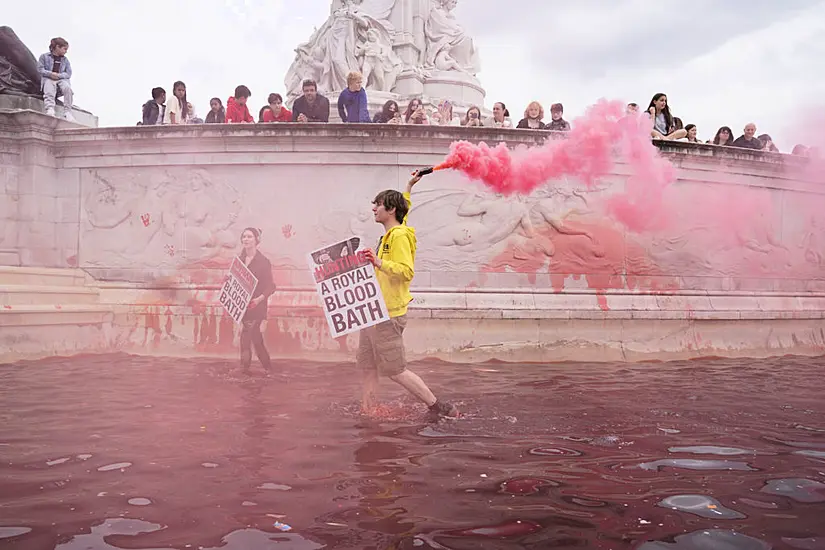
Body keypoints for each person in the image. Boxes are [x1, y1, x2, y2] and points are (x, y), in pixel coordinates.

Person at [360, 173, 458, 419]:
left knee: (395, 370)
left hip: (387, 314)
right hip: (372, 311)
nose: (373, 208)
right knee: (368, 367)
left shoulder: (400, 236)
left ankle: (438, 407)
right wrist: (410, 185)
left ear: (390, 209)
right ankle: (368, 411)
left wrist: (379, 262)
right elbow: (404, 206)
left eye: (378, 204)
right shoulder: (393, 231)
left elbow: (406, 272)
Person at [237, 227, 275, 375]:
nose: (246, 239)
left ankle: (243, 372)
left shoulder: (264, 262)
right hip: (243, 306)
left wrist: (259, 300)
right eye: (244, 236)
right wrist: (228, 280)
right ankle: (268, 369)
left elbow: (271, 286)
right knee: (257, 341)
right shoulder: (239, 261)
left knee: (245, 337)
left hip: (257, 307)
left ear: (256, 240)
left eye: (249, 237)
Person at [37, 37, 74, 121]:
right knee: (49, 88)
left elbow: (68, 73)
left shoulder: (65, 60)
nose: (66, 51)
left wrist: (59, 75)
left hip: (61, 79)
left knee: (68, 89)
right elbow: (40, 69)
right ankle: (50, 108)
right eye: (64, 49)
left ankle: (67, 112)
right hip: (48, 78)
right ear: (57, 47)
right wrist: (50, 74)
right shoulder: (44, 57)